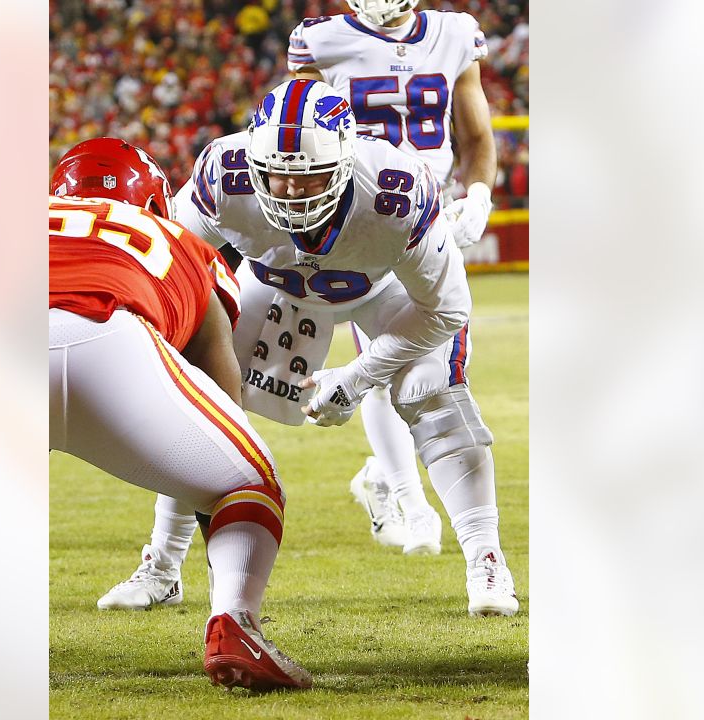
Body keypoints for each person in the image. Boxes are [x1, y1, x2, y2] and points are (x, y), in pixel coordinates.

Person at [101, 79, 519, 617]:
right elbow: (172, 267)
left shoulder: (397, 191)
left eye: (309, 176)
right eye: (277, 175)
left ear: (344, 162)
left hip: (383, 288)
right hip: (277, 285)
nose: (291, 191)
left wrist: (359, 375)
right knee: (202, 397)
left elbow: (446, 309)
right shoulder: (220, 175)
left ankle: (486, 560)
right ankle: (162, 565)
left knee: (430, 391)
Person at [49, 137, 312, 690]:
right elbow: (222, 388)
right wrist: (209, 497)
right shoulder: (178, 238)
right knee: (250, 481)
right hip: (111, 341)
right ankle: (235, 622)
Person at [286, 0, 500, 552]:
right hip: (362, 218)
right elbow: (299, 131)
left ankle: (380, 479)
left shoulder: (454, 34)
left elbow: (476, 136)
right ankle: (411, 502)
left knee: (434, 366)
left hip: (433, 214)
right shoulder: (323, 40)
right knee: (383, 362)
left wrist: (477, 196)